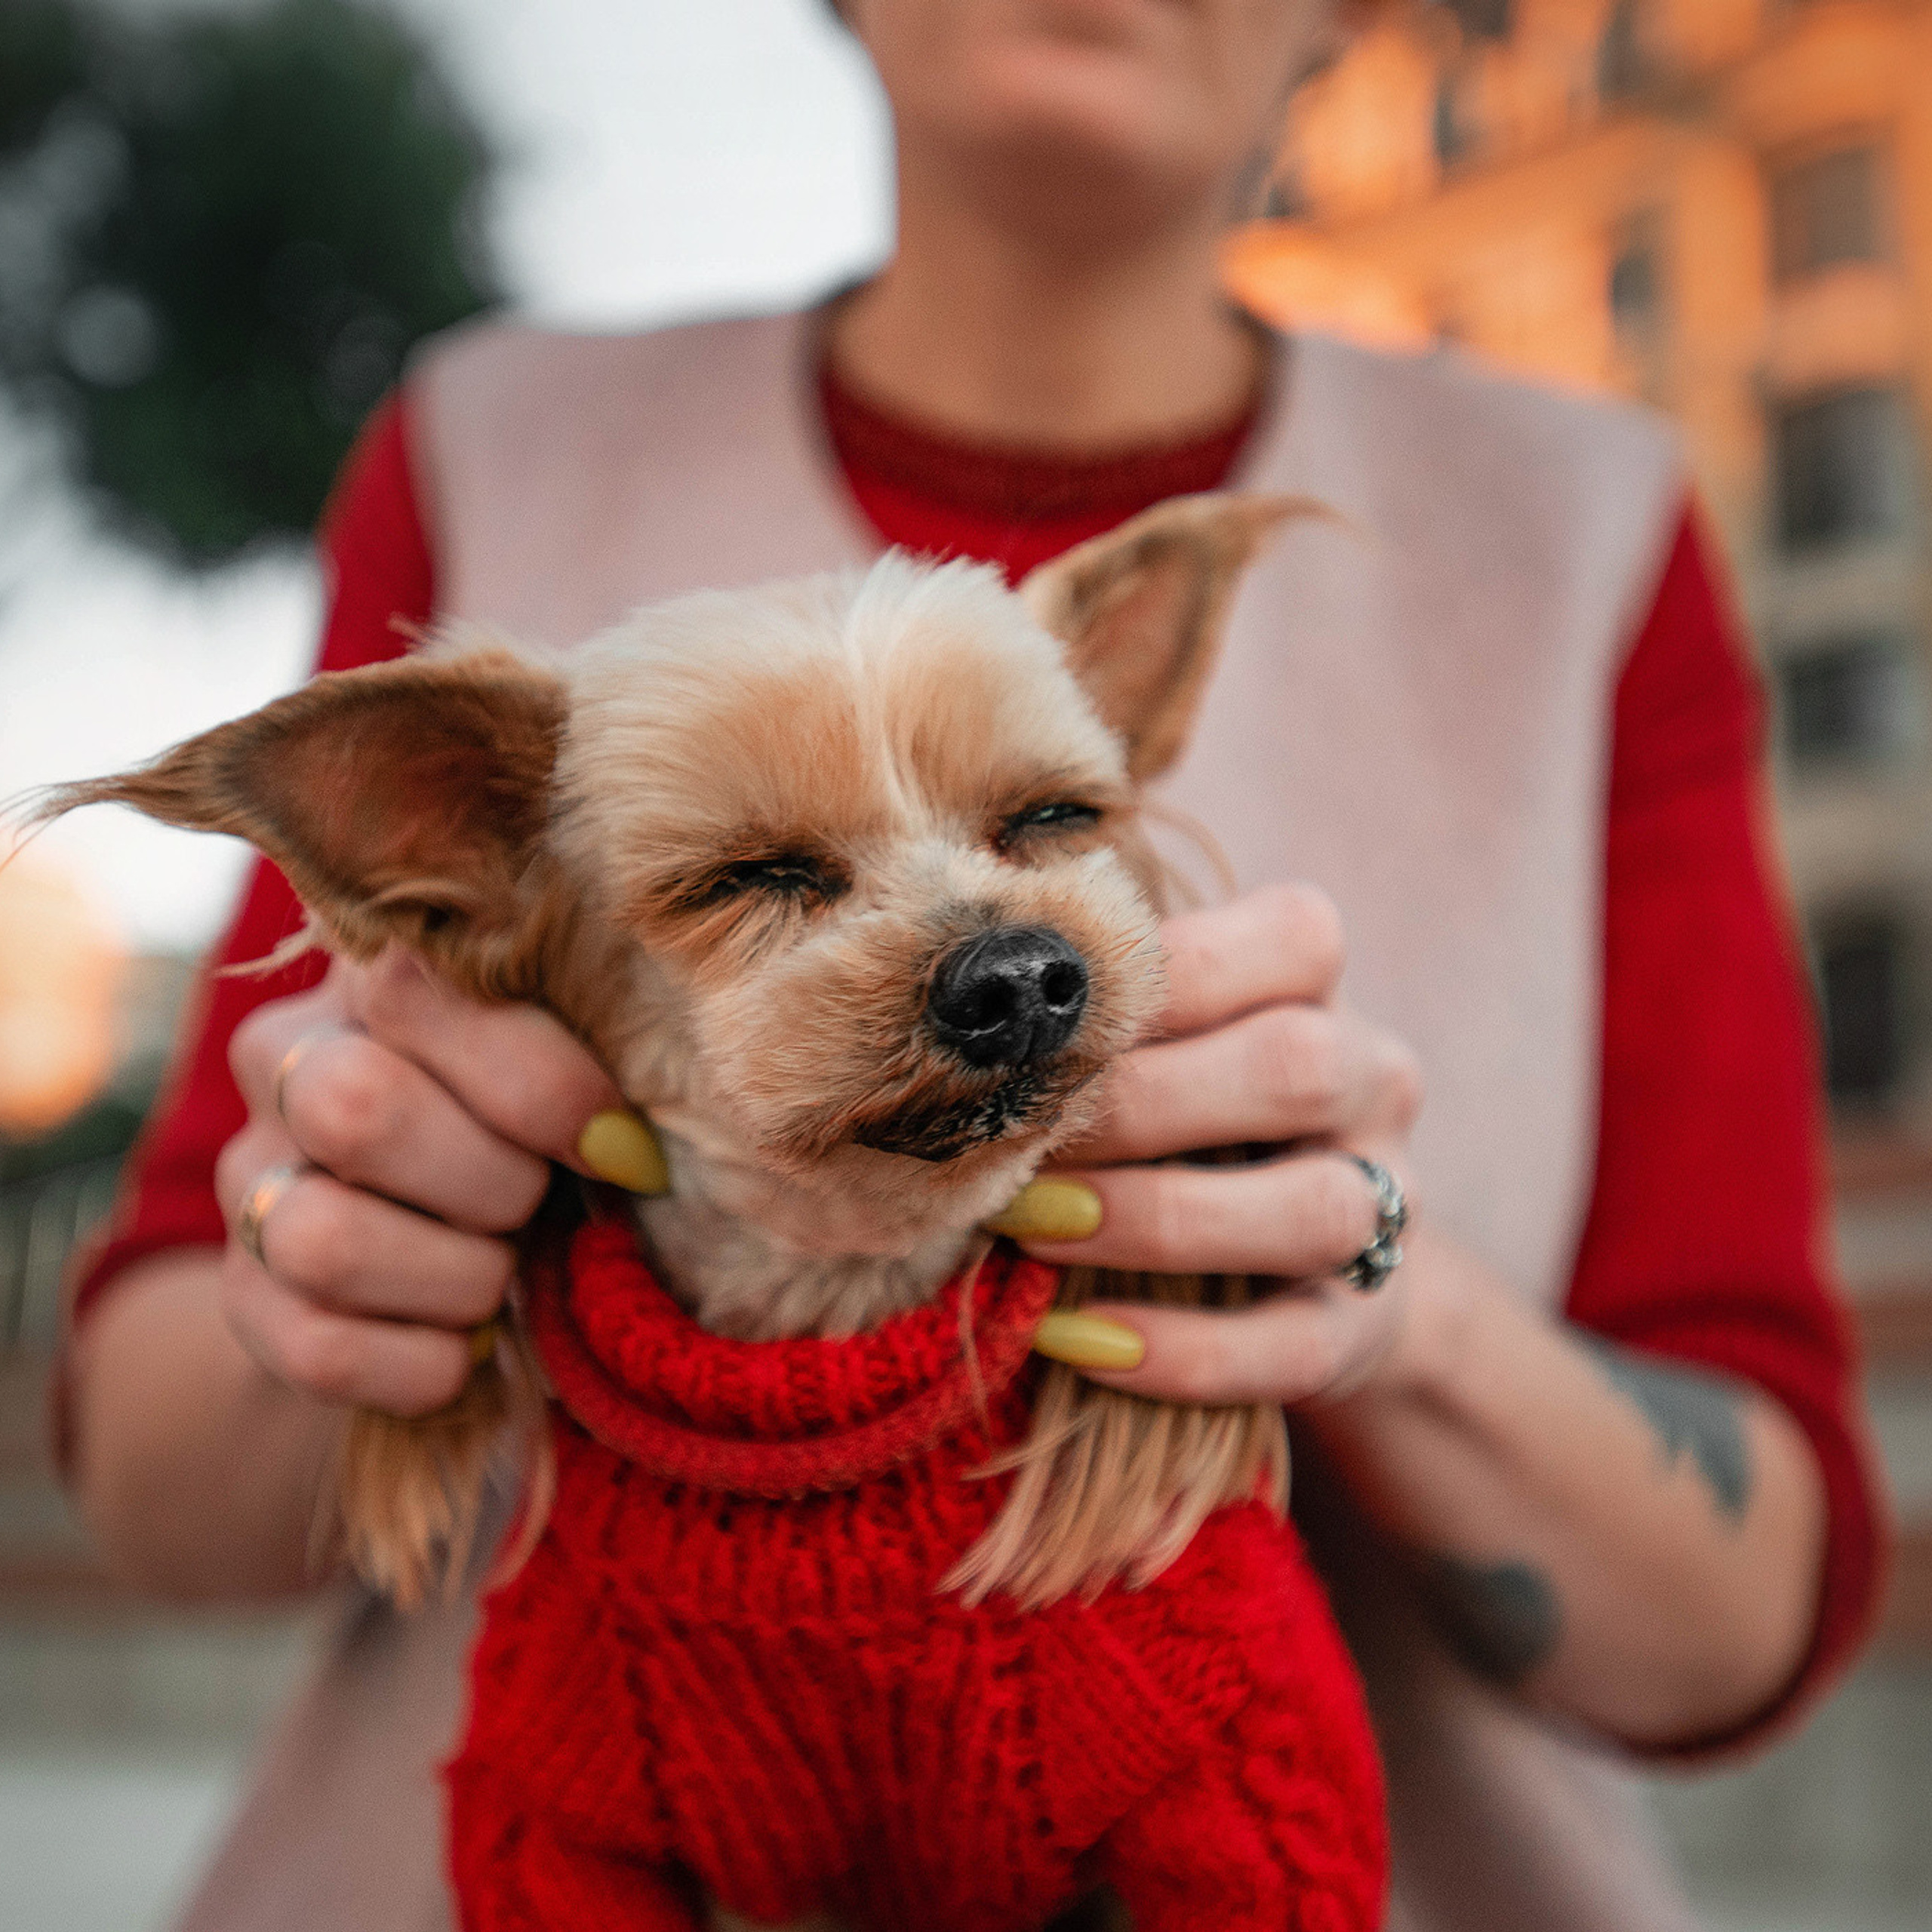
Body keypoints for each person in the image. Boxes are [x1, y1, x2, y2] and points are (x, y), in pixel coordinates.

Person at [59, 2, 1884, 1928]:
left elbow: (1743, 1624)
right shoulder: (477, 441)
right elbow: (155, 1476)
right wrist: (348, 1257)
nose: (992, 956)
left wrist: (1391, 1313)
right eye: (763, 874)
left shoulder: (1584, 523)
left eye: (1042, 825)